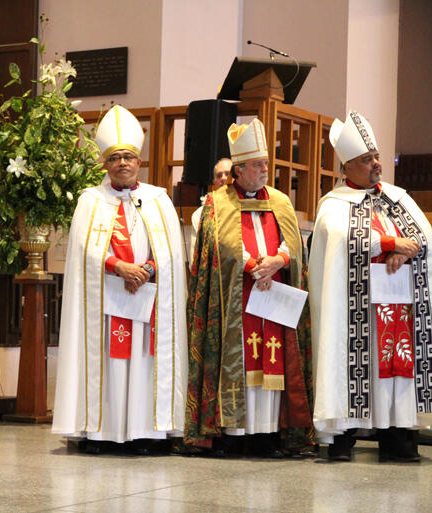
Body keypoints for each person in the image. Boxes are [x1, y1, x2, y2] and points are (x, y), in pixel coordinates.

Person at [52, 105, 189, 455]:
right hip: (107, 300)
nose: (123, 164)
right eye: (115, 158)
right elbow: (82, 252)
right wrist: (119, 267)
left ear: (139, 162)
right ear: (105, 164)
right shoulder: (91, 201)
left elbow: (173, 252)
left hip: (148, 299)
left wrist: (147, 270)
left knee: (144, 360)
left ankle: (147, 432)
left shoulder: (159, 200)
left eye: (128, 157)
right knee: (109, 361)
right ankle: (102, 433)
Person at [185, 118, 313, 458]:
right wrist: (252, 265)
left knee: (274, 359)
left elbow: (295, 245)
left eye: (266, 164)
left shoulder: (281, 202)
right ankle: (231, 433)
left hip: (274, 294)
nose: (265, 170)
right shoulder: (218, 202)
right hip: (236, 297)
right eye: (258, 165)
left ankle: (267, 435)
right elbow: (219, 246)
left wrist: (278, 261)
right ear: (239, 170)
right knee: (239, 362)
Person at [309, 111, 432, 462]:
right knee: (356, 366)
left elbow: (424, 236)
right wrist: (390, 244)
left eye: (377, 156)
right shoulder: (333, 204)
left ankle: (397, 435)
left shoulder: (398, 196)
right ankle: (343, 436)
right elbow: (340, 238)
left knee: (397, 365)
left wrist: (405, 252)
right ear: (347, 167)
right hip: (356, 309)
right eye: (367, 159)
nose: (376, 163)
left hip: (396, 306)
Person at [189, 157, 232, 259]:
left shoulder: (246, 207)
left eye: (227, 174)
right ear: (214, 182)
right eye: (219, 175)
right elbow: (194, 259)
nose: (223, 178)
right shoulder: (200, 214)